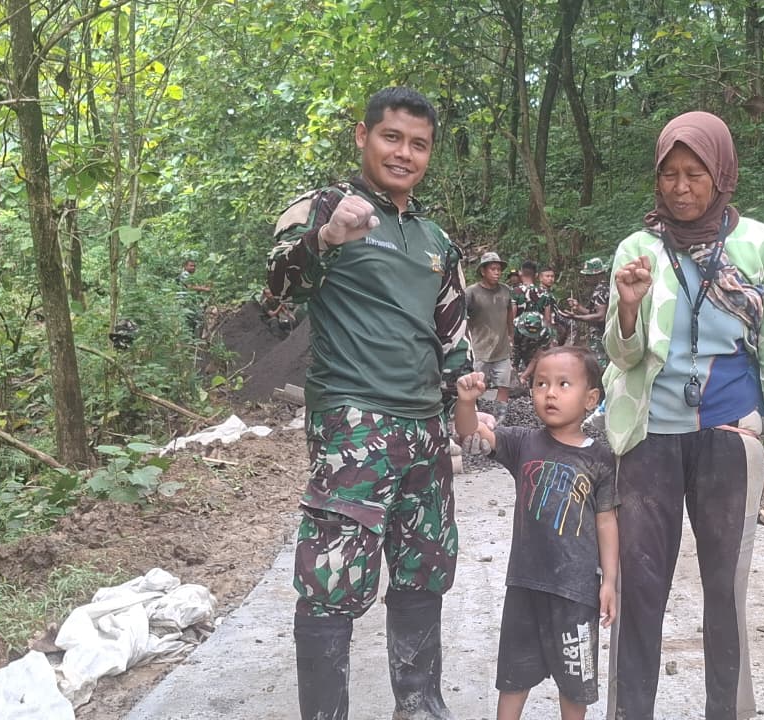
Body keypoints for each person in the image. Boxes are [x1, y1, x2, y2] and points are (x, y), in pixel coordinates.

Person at [602, 111, 764, 720]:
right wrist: (628, 308)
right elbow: (621, 356)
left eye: (695, 173)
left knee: (726, 587)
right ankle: (629, 712)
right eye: (669, 174)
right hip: (648, 433)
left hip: (729, 434)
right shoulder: (639, 249)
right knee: (641, 583)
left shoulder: (760, 244)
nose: (681, 187)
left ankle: (727, 711)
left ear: (722, 174)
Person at [265, 87, 469, 720]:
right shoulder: (323, 209)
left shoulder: (436, 239)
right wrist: (326, 239)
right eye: (391, 137)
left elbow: (451, 338)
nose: (404, 153)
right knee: (332, 577)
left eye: (418, 144)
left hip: (424, 429)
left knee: (423, 567)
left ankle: (420, 705)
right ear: (363, 136)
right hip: (353, 423)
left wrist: (462, 405)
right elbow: (274, 298)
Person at [453, 346, 618, 720]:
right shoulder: (523, 442)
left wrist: (609, 581)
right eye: (541, 384)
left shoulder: (600, 459)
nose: (550, 393)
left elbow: (606, 520)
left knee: (575, 685)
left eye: (563, 384)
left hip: (576, 592)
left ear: (591, 398)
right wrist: (466, 402)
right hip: (525, 585)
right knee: (513, 678)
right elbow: (470, 432)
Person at [465, 251, 516, 421]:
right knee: (475, 385)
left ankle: (500, 418)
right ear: (483, 271)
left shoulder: (505, 291)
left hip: (502, 348)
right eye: (493, 269)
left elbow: (509, 314)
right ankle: (472, 416)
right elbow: (461, 317)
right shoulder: (471, 293)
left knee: (504, 385)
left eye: (499, 269)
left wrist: (511, 335)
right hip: (479, 349)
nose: (497, 272)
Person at [558, 257, 610, 366]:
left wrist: (575, 317)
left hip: (600, 336)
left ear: (597, 275)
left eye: (589, 275)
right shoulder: (606, 287)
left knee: (599, 364)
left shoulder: (600, 291)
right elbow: (595, 313)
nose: (586, 278)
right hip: (602, 335)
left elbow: (600, 316)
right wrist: (579, 308)